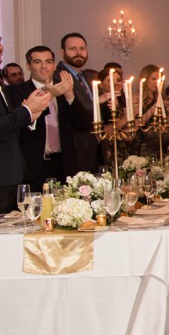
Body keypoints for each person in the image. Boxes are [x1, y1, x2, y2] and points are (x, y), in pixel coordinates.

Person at [12, 46, 89, 189]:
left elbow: (83, 125)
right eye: (37, 62)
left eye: (48, 62)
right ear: (28, 66)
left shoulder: (64, 89)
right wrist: (49, 93)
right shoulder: (17, 91)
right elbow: (19, 127)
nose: (44, 67)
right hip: (33, 166)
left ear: (54, 66)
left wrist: (70, 95)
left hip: (64, 165)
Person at [0, 37, 51, 211]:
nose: (1, 46)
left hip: (11, 173)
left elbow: (11, 121)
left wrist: (30, 114)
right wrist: (27, 111)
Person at [58, 33, 100, 172]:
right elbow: (78, 108)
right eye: (73, 49)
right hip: (75, 147)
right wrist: (100, 100)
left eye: (82, 48)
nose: (78, 53)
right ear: (62, 52)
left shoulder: (89, 76)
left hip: (94, 145)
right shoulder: (58, 76)